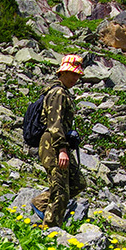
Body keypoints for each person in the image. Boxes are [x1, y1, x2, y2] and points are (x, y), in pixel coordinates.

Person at [31, 54, 88, 228]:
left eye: (78, 75)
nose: (75, 78)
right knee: (60, 188)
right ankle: (50, 229)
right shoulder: (58, 93)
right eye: (73, 74)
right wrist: (62, 149)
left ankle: (40, 203)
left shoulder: (61, 92)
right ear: (62, 72)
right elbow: (54, 123)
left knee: (77, 183)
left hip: (57, 143)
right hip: (53, 143)